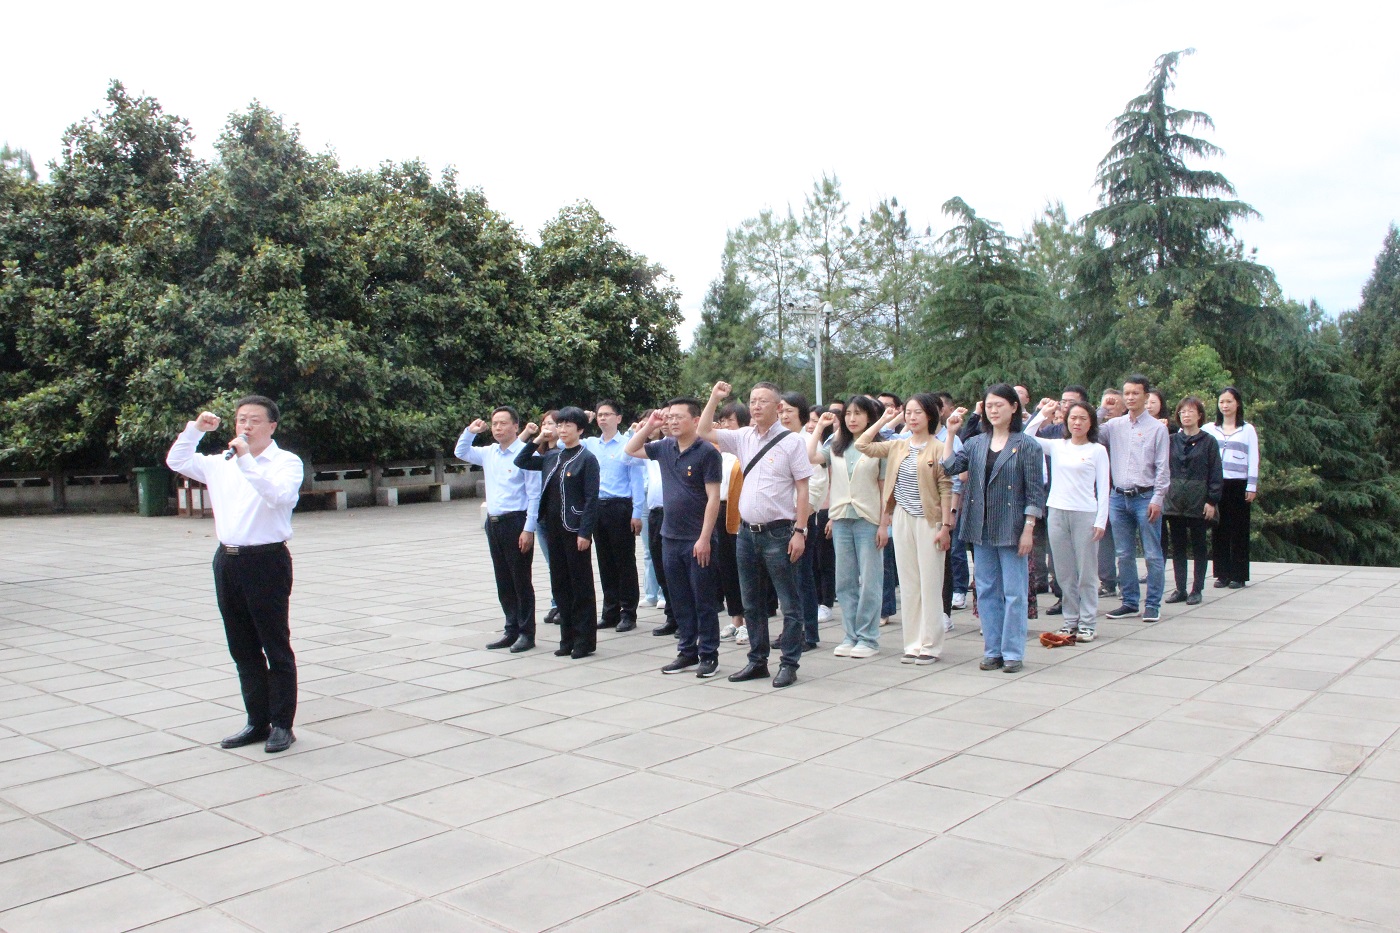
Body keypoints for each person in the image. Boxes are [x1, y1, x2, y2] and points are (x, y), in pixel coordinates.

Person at [166, 396, 304, 753]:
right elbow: (177, 461)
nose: (246, 426)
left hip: (266, 561)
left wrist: (246, 460)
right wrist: (195, 430)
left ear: (272, 426)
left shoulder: (286, 463)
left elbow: (279, 497)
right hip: (228, 561)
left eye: (255, 420)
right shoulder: (220, 463)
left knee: (275, 644)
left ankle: (282, 725)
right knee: (242, 647)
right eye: (241, 419)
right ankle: (257, 721)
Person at [699, 380, 813, 689]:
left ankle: (789, 663)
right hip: (746, 533)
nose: (756, 406)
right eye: (752, 401)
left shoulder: (792, 442)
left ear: (778, 407)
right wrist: (714, 397)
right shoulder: (743, 437)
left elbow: (803, 489)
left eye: (763, 401)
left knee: (789, 602)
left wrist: (800, 531)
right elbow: (704, 431)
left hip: (780, 532)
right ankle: (757, 660)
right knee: (751, 602)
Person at [942, 385, 1047, 674]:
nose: (993, 410)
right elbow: (949, 467)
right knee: (986, 590)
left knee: (1014, 592)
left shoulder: (1027, 445)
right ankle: (992, 650)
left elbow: (1035, 492)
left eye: (999, 404)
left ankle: (1012, 652)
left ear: (1014, 407)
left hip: (1012, 527)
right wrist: (951, 433)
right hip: (980, 525)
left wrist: (1029, 528)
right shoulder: (976, 443)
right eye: (989, 405)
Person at [628, 399, 724, 677]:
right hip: (670, 536)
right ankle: (687, 651)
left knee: (703, 600)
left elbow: (714, 498)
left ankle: (709, 654)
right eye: (669, 417)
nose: (672, 421)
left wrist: (704, 538)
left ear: (695, 420)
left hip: (697, 538)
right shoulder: (664, 447)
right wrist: (650, 425)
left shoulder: (707, 452)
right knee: (680, 599)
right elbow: (631, 449)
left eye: (678, 417)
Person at [856, 394, 954, 665]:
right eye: (908, 412)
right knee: (910, 585)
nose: (912, 417)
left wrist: (946, 526)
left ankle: (931, 644)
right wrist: (885, 420)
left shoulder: (938, 447)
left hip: (929, 520)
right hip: (901, 517)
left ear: (930, 415)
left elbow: (946, 487)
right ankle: (912, 643)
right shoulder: (898, 445)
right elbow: (863, 444)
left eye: (917, 412)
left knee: (930, 584)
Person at [516, 408, 600, 659]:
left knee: (580, 585)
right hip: (552, 528)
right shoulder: (553, 456)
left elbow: (591, 499)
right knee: (560, 584)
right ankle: (567, 639)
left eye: (568, 426)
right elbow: (521, 460)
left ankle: (584, 641)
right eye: (559, 425)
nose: (562, 430)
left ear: (580, 430)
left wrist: (585, 532)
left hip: (574, 530)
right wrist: (538, 439)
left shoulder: (587, 459)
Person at [455, 407, 540, 653]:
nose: (498, 428)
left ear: (516, 426)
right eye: (494, 424)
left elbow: (534, 495)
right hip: (494, 523)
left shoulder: (526, 454)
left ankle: (526, 633)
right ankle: (511, 628)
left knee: (521, 580)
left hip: (517, 522)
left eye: (503, 423)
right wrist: (470, 432)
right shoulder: (489, 453)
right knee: (503, 580)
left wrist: (529, 529)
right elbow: (461, 452)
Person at [1025, 398, 1110, 640]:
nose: (1077, 423)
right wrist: (1043, 414)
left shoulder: (1097, 450)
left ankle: (1088, 622)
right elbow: (1027, 436)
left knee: (1086, 572)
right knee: (1064, 572)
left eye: (1083, 418)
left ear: (1091, 422)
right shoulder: (1058, 446)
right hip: (1057, 511)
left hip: (1085, 513)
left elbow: (1104, 487)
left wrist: (1101, 520)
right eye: (1073, 418)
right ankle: (1070, 620)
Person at [811, 396, 886, 657]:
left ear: (869, 417)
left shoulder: (878, 447)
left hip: (868, 520)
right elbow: (810, 457)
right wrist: (819, 428)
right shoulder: (836, 445)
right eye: (849, 414)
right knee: (844, 581)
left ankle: (868, 637)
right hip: (841, 518)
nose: (852, 419)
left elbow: (884, 489)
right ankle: (850, 635)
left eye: (858, 413)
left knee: (870, 581)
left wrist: (884, 524)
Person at [1099, 376, 1172, 624]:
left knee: (1152, 553)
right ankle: (1129, 601)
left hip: (1146, 496)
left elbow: (1162, 467)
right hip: (1118, 497)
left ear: (1146, 396)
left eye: (1135, 393)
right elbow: (1089, 432)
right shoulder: (1114, 426)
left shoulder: (1157, 428)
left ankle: (1152, 604)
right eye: (1127, 393)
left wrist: (1158, 498)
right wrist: (1102, 409)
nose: (1130, 397)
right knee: (1123, 553)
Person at [582, 400, 646, 633]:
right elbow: (561, 442)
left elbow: (636, 480)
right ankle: (610, 611)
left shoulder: (629, 444)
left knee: (624, 562)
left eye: (607, 414)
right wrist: (583, 420)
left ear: (618, 418)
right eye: (599, 414)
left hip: (620, 507)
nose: (602, 418)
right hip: (597, 507)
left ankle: (628, 612)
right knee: (605, 561)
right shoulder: (590, 444)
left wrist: (637, 512)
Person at [1164, 396, 1224, 605]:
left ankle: (1197, 589)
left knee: (1199, 545)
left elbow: (1216, 472)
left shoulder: (1209, 442)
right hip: (1175, 499)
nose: (1186, 415)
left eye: (1191, 411)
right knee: (1177, 546)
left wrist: (1212, 500)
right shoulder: (1171, 440)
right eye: (1182, 412)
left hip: (1199, 499)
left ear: (1200, 415)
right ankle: (1180, 588)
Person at [1203, 386, 1259, 589]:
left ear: (1238, 404)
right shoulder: (1210, 428)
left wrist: (1251, 485)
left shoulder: (1247, 429)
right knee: (1219, 528)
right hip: (1216, 483)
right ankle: (1222, 573)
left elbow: (1253, 458)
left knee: (1239, 529)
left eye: (1229, 401)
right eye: (1222, 402)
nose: (1225, 405)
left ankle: (1239, 574)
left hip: (1238, 483)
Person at [781, 392, 823, 649]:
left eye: (790, 411)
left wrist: (801, 522)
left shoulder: (808, 443)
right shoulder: (776, 440)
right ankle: (790, 630)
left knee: (802, 579)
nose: (784, 416)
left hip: (802, 520)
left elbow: (815, 486)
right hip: (778, 521)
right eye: (781, 411)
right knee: (784, 581)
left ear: (802, 414)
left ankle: (809, 632)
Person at [640, 415, 678, 637]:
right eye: (663, 418)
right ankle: (672, 616)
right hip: (655, 514)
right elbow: (628, 453)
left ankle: (685, 618)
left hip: (676, 514)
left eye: (672, 417)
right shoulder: (655, 447)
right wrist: (647, 427)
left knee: (678, 569)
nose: (666, 422)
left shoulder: (688, 447)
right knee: (660, 566)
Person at [714, 402, 749, 645]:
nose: (725, 425)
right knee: (726, 568)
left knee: (744, 569)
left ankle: (749, 621)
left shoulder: (746, 449)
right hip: (721, 510)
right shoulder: (721, 452)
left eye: (730, 420)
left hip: (741, 513)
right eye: (723, 421)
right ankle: (736, 618)